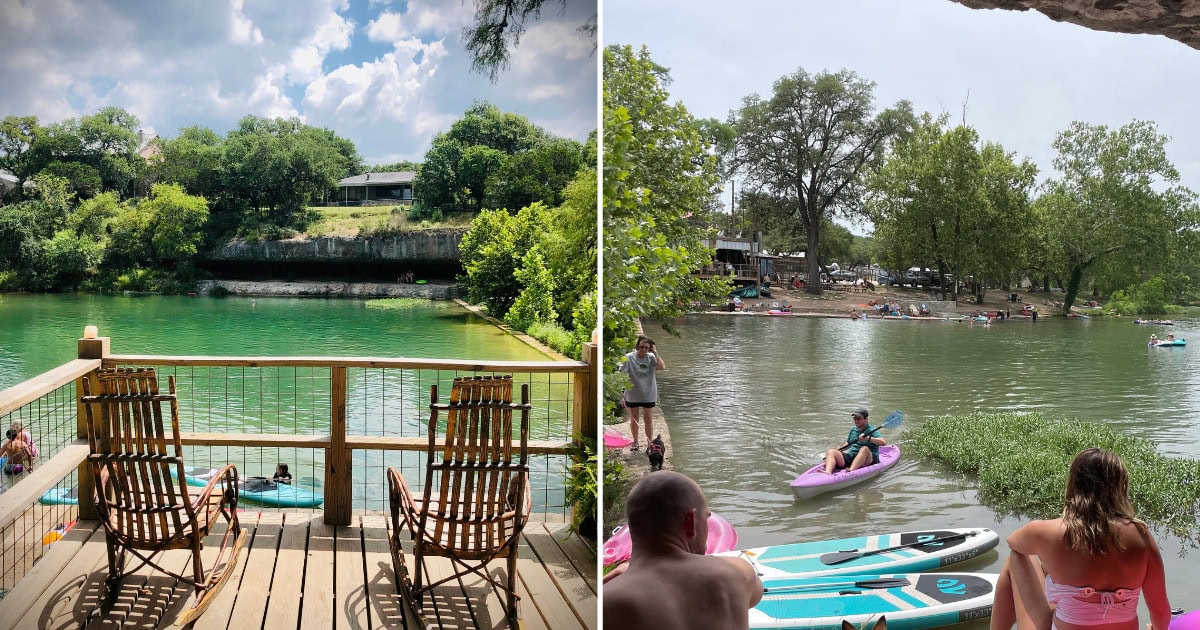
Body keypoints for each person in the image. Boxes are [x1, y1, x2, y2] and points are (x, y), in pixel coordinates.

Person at [990, 448, 1171, 630]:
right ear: (1120, 487)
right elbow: (1161, 612)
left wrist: (1050, 562)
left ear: (1074, 484)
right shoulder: (1141, 534)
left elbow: (1013, 542)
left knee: (1018, 557)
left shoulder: (1047, 531)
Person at [602, 471, 762, 630]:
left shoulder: (608, 601)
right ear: (690, 522)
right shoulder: (737, 574)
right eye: (706, 518)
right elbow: (756, 592)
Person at [620, 336, 665, 451]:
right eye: (641, 347)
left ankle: (650, 443)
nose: (643, 350)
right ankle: (635, 442)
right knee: (634, 419)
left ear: (649, 349)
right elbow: (622, 376)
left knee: (648, 418)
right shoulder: (629, 357)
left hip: (648, 393)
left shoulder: (652, 357)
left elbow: (661, 367)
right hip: (633, 393)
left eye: (646, 348)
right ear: (637, 347)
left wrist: (656, 353)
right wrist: (622, 392)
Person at [822, 407, 885, 474]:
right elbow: (849, 443)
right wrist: (840, 449)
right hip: (852, 457)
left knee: (864, 449)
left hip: (868, 459)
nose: (856, 421)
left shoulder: (872, 430)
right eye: (855, 418)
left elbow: (883, 442)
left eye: (859, 418)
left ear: (866, 419)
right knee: (831, 451)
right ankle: (828, 471)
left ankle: (851, 471)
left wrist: (868, 438)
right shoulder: (853, 430)